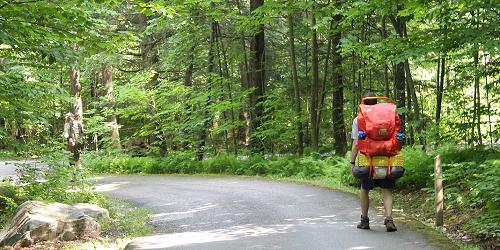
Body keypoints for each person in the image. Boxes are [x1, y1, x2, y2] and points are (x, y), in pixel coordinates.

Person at [350, 92, 397, 232]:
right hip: (385, 159)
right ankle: (389, 219)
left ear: (363, 103)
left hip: (367, 161)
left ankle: (364, 220)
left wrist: (352, 162)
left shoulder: (358, 119)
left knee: (365, 190)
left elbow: (356, 144)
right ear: (376, 103)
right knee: (386, 189)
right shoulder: (387, 117)